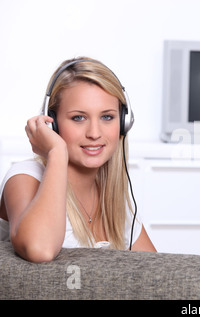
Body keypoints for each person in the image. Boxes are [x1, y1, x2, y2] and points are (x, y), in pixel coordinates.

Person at [0, 57, 156, 262]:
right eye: (78, 118)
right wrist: (56, 152)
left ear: (124, 122)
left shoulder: (112, 200)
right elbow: (39, 250)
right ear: (52, 124)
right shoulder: (24, 177)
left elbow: (156, 273)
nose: (94, 133)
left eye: (107, 117)